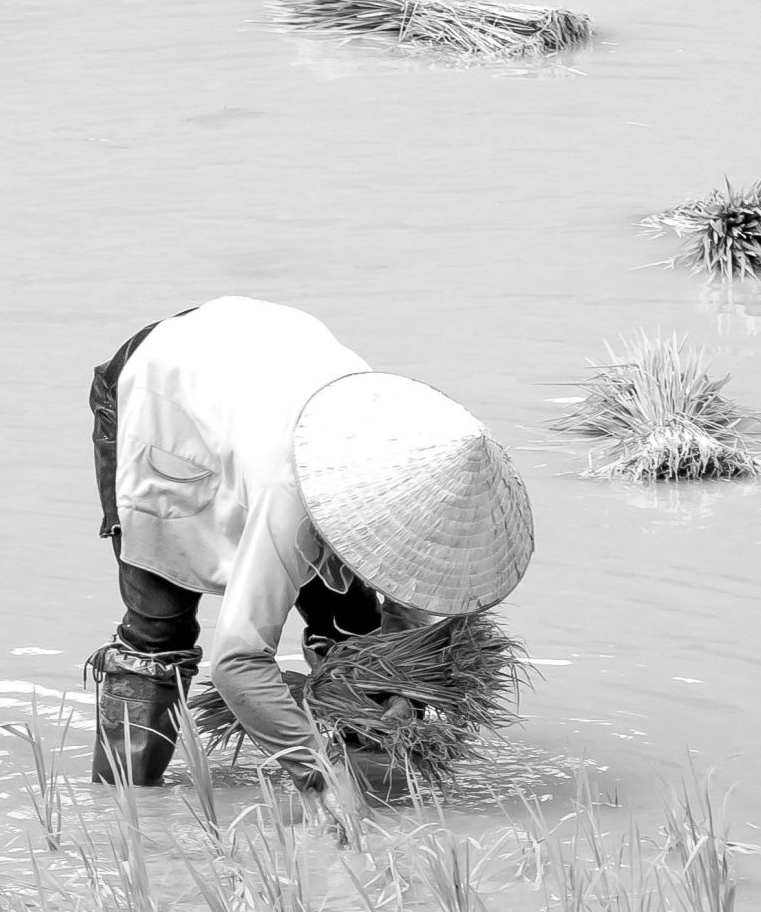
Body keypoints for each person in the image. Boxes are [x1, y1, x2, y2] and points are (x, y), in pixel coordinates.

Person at [88, 298, 534, 829]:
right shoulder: (290, 496)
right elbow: (238, 664)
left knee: (357, 634)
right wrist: (317, 776)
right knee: (159, 629)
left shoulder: (433, 469)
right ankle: (123, 823)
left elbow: (406, 612)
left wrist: (401, 691)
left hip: (266, 368)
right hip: (161, 389)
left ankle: (378, 793)